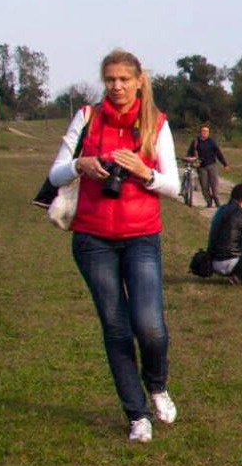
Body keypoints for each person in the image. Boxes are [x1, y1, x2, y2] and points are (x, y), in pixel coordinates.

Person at [49, 49, 181, 443]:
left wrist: (145, 173)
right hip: (93, 240)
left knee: (150, 326)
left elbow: (174, 186)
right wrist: (80, 165)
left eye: (124, 79)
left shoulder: (157, 124)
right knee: (116, 328)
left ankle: (156, 384)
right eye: (110, 79)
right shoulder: (87, 118)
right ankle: (136, 414)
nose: (117, 86)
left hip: (141, 237)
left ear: (140, 80)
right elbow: (55, 174)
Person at [185, 123, 228, 206]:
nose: (205, 133)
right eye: (203, 131)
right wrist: (189, 159)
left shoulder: (212, 142)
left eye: (206, 131)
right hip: (201, 167)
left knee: (214, 185)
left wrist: (224, 164)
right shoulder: (195, 142)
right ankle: (208, 202)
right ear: (200, 132)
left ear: (208, 133)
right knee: (204, 186)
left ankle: (217, 201)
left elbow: (218, 153)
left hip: (212, 165)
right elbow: (190, 153)